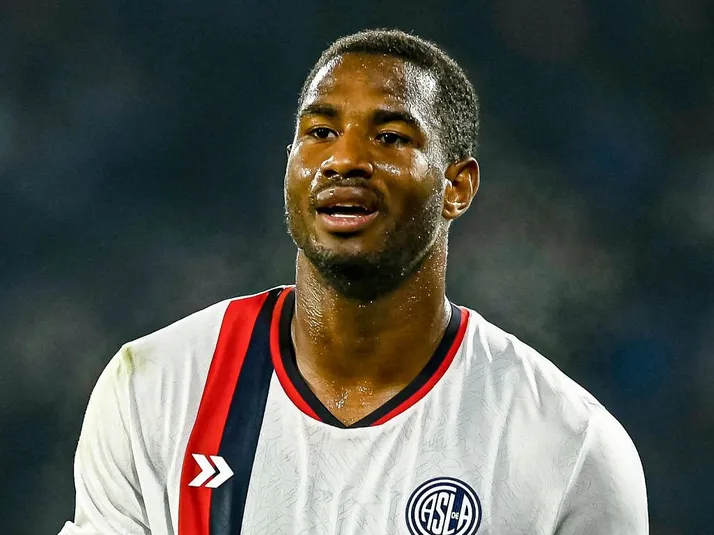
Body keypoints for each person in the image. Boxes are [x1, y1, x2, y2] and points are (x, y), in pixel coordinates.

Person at [59, 29, 648, 535]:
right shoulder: (155, 389)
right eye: (319, 132)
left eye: (390, 137)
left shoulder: (568, 446)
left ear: (457, 187)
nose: (344, 159)